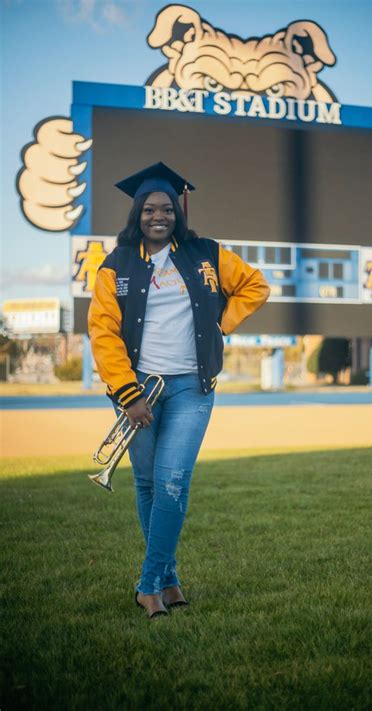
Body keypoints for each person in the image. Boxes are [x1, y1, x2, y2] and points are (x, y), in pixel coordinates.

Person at [88, 161, 270, 618]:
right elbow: (103, 333)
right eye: (149, 209)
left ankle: (147, 585)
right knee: (148, 484)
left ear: (177, 212)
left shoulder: (206, 253)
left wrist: (220, 323)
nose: (158, 216)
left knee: (171, 482)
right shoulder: (116, 266)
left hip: (192, 386)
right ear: (137, 214)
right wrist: (127, 394)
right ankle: (169, 581)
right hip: (138, 389)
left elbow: (255, 286)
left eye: (166, 208)